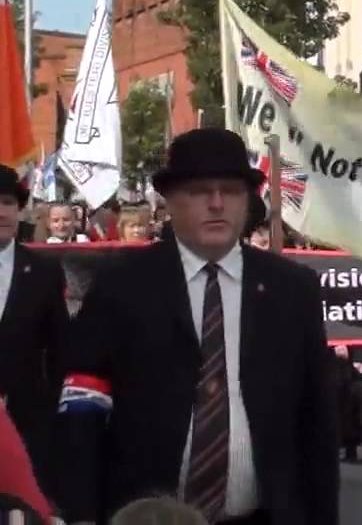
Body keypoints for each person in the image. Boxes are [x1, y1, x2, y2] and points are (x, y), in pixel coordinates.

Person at [55, 129, 339, 525]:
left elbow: (317, 422)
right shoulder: (123, 285)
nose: (217, 203)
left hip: (263, 514)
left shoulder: (291, 289)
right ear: (170, 202)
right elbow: (83, 408)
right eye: (200, 192)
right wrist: (82, 513)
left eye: (231, 191)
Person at [0, 165, 69, 498]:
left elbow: (60, 347)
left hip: (27, 420)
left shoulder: (43, 270)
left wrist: (51, 405)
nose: (1, 212)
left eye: (7, 202)